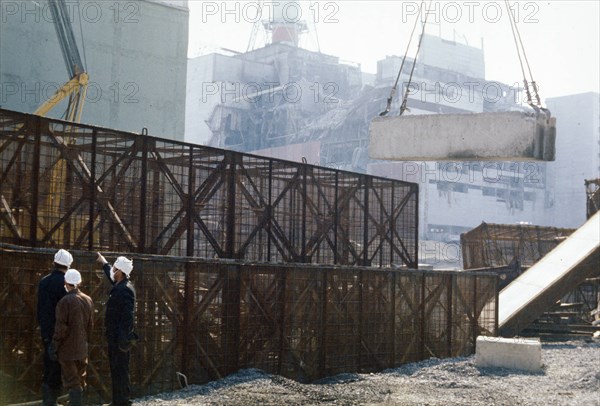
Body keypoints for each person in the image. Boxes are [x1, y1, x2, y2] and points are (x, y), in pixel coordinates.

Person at [96, 252, 138, 406]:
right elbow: (111, 275)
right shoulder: (122, 285)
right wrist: (104, 262)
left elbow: (128, 317)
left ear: (120, 272)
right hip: (117, 338)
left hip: (119, 340)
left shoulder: (124, 290)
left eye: (114, 268)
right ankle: (119, 401)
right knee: (117, 370)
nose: (112, 270)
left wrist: (122, 339)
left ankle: (123, 402)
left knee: (120, 371)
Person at [49, 269, 94, 406]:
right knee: (80, 380)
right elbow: (90, 326)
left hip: (68, 351)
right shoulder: (88, 299)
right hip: (82, 349)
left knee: (72, 382)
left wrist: (54, 346)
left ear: (66, 282)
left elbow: (61, 329)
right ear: (79, 282)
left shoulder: (64, 302)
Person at [37, 248, 73, 406]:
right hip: (62, 334)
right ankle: (55, 401)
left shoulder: (44, 281)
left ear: (54, 263)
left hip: (46, 331)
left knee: (48, 365)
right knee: (61, 367)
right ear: (68, 266)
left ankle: (48, 401)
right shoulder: (66, 284)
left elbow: (40, 309)